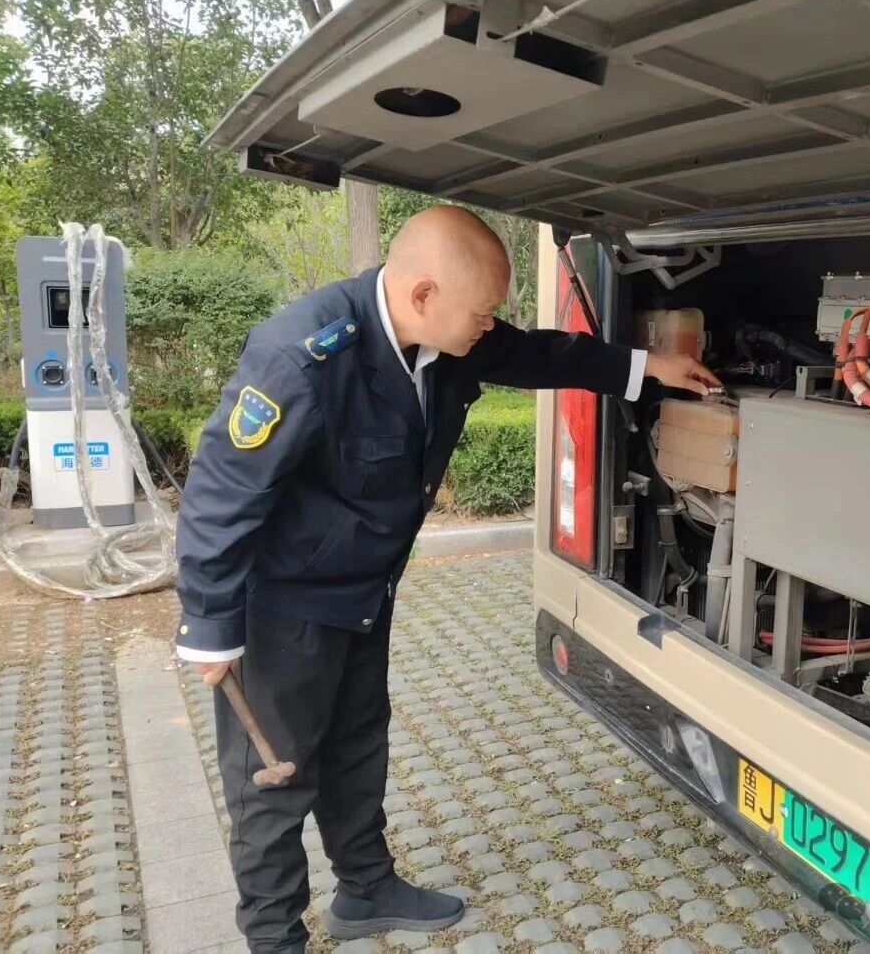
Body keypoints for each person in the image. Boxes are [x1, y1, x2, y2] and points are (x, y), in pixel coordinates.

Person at [174, 205, 722, 953]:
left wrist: (647, 368)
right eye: (481, 312)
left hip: (365, 594)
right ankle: (274, 938)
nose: (489, 326)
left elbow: (541, 356)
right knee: (275, 778)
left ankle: (364, 887)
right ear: (424, 294)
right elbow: (221, 492)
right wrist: (209, 624)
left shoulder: (447, 338)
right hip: (283, 608)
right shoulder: (301, 358)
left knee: (358, 743)